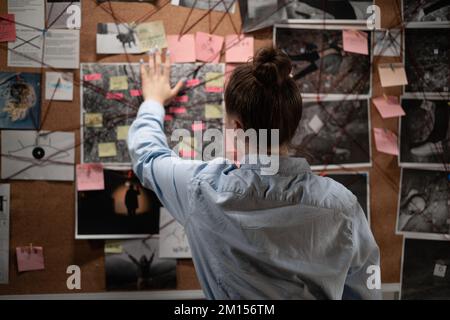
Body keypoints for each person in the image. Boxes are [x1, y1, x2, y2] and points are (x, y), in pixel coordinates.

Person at [128, 47, 381, 299]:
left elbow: (148, 156)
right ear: (294, 124)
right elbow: (366, 290)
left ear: (237, 127)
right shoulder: (342, 205)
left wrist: (152, 101)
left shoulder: (201, 188)